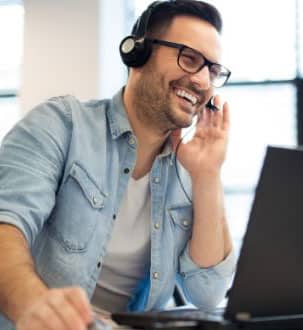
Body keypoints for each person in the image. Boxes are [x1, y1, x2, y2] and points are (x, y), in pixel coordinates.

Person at [0, 1, 235, 329]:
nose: (201, 80)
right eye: (189, 58)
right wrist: (33, 304)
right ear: (136, 54)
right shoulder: (61, 125)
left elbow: (207, 294)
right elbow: (6, 226)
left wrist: (208, 174)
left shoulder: (190, 168)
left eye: (212, 70)